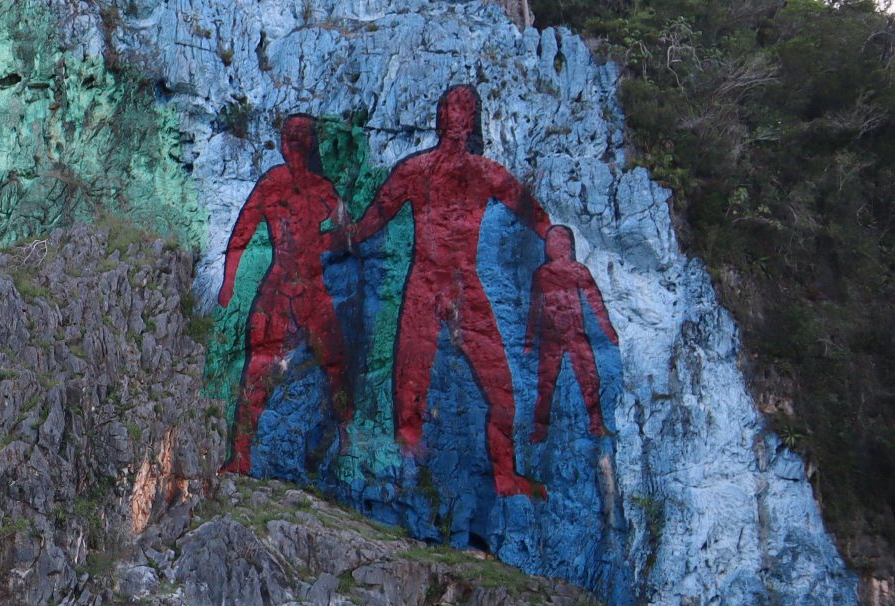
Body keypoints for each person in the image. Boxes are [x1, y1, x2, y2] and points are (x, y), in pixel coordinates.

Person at [346, 84, 552, 497]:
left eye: (461, 108)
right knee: (409, 377)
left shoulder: (486, 173)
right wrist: (338, 238)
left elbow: (533, 213)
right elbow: (373, 221)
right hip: (425, 279)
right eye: (446, 107)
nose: (451, 115)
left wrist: (558, 252)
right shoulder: (414, 171)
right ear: (439, 117)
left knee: (501, 389)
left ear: (471, 119)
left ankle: (504, 473)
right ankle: (404, 464)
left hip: (465, 285)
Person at [217, 114, 353, 473]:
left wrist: (322, 241)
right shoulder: (272, 183)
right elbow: (242, 231)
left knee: (336, 363)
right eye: (287, 136)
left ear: (310, 144)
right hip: (277, 288)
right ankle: (241, 455)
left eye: (300, 136)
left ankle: (348, 438)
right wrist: (229, 281)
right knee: (257, 368)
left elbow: (347, 235)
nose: (292, 143)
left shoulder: (324, 190)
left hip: (313, 290)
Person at [530, 224, 618, 440]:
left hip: (575, 333)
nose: (555, 246)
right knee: (545, 383)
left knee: (589, 378)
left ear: (567, 245)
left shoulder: (579, 271)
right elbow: (534, 309)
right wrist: (529, 339)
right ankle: (541, 429)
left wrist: (609, 332)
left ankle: (596, 423)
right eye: (552, 242)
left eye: (559, 242)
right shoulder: (541, 274)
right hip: (551, 337)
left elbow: (596, 303)